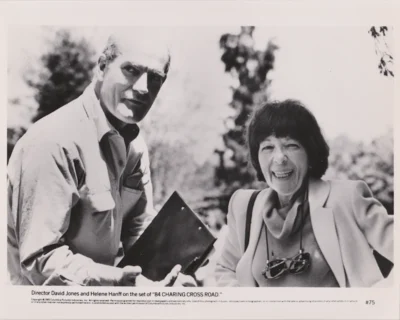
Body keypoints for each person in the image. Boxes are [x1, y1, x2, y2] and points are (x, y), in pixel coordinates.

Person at [7, 29, 195, 286]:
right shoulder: (54, 141)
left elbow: (138, 231)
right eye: (131, 69)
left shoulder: (135, 146)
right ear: (102, 67)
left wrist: (166, 277)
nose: (142, 87)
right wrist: (117, 280)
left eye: (155, 78)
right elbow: (40, 261)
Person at [214, 99, 394, 287]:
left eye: (291, 145)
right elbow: (226, 270)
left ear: (310, 153)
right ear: (257, 158)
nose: (279, 158)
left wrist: (377, 298)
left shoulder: (347, 198)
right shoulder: (244, 206)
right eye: (268, 147)